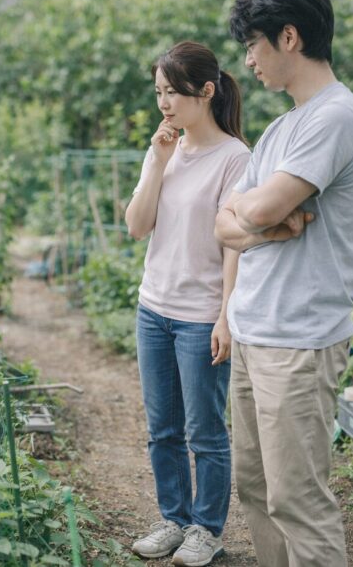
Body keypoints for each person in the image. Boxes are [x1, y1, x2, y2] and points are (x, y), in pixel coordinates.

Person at [215, 0, 353, 567]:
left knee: (298, 501)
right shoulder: (283, 127)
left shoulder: (336, 116)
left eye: (252, 45)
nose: (249, 61)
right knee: (257, 491)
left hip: (299, 341)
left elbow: (249, 209)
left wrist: (255, 217)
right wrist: (269, 225)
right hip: (256, 330)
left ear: (288, 37)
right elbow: (223, 225)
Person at [125, 41, 250, 566]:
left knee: (205, 430)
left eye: (174, 92)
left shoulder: (236, 158)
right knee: (163, 429)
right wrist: (157, 161)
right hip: (153, 308)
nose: (165, 103)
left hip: (200, 317)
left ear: (207, 90)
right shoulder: (164, 150)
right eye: (158, 92)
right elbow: (136, 227)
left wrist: (225, 314)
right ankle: (174, 520)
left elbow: (233, 244)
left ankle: (207, 529)